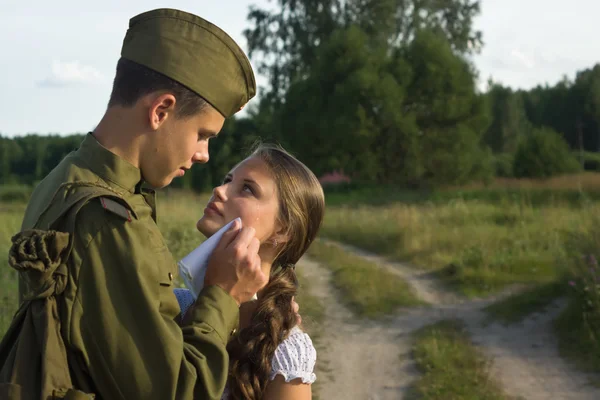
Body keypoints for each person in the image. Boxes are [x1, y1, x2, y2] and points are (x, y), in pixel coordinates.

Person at [0, 8, 268, 400]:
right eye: (202, 134)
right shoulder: (108, 221)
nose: (203, 154)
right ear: (161, 110)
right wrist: (223, 294)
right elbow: (179, 391)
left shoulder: (65, 177)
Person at [174, 143, 325, 400]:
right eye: (227, 180)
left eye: (247, 188)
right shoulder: (174, 306)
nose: (219, 191)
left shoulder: (286, 353)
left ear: (283, 229)